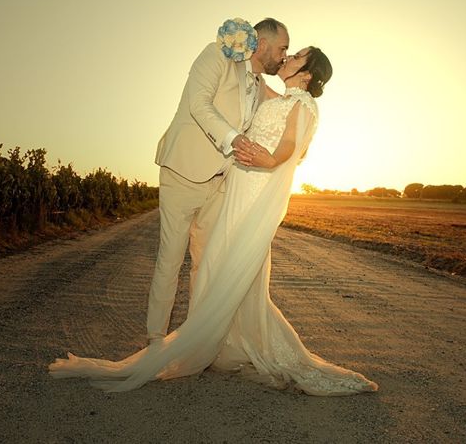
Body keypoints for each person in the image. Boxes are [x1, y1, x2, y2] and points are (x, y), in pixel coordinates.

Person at [49, 44, 379, 396]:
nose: (288, 58)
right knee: (228, 270)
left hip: (253, 190)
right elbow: (249, 78)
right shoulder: (279, 98)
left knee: (226, 267)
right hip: (238, 184)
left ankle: (211, 343)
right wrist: (237, 47)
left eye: (297, 56)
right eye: (288, 51)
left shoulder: (303, 105)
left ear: (309, 74)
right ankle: (230, 343)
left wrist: (269, 162)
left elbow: (289, 147)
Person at [147, 17, 289, 344]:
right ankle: (155, 341)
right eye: (282, 48)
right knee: (170, 261)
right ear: (262, 44)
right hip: (183, 170)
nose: (284, 55)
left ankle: (193, 341)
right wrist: (235, 139)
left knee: (206, 264)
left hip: (222, 183)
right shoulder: (216, 56)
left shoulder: (260, 87)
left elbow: (286, 112)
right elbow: (198, 103)